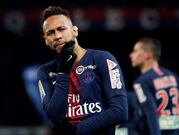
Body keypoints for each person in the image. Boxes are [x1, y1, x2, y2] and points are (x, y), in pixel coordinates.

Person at [37, 6, 128, 135]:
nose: (57, 36)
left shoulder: (102, 59)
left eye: (61, 29)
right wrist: (63, 72)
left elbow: (120, 111)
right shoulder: (45, 71)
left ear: (75, 31)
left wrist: (78, 130)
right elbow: (55, 117)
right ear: (46, 40)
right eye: (50, 33)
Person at [129, 37, 179, 135]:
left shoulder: (140, 83)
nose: (131, 55)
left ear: (147, 55)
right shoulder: (172, 76)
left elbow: (151, 113)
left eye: (135, 51)